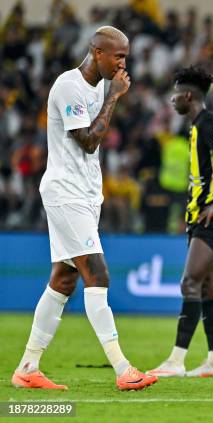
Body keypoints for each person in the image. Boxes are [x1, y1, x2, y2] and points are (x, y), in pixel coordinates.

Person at [12, 26, 157, 391]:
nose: (123, 64)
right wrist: (114, 97)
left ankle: (28, 367)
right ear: (96, 52)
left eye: (126, 56)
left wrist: (109, 94)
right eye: (118, 56)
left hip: (87, 195)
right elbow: (90, 141)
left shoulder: (94, 86)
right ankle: (123, 369)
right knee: (98, 274)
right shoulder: (69, 86)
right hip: (66, 194)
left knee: (63, 280)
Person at [148, 66, 213, 378]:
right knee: (207, 286)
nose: (172, 100)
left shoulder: (208, 122)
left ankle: (176, 361)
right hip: (200, 215)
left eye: (175, 95)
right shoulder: (195, 127)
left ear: (188, 96)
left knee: (189, 282)